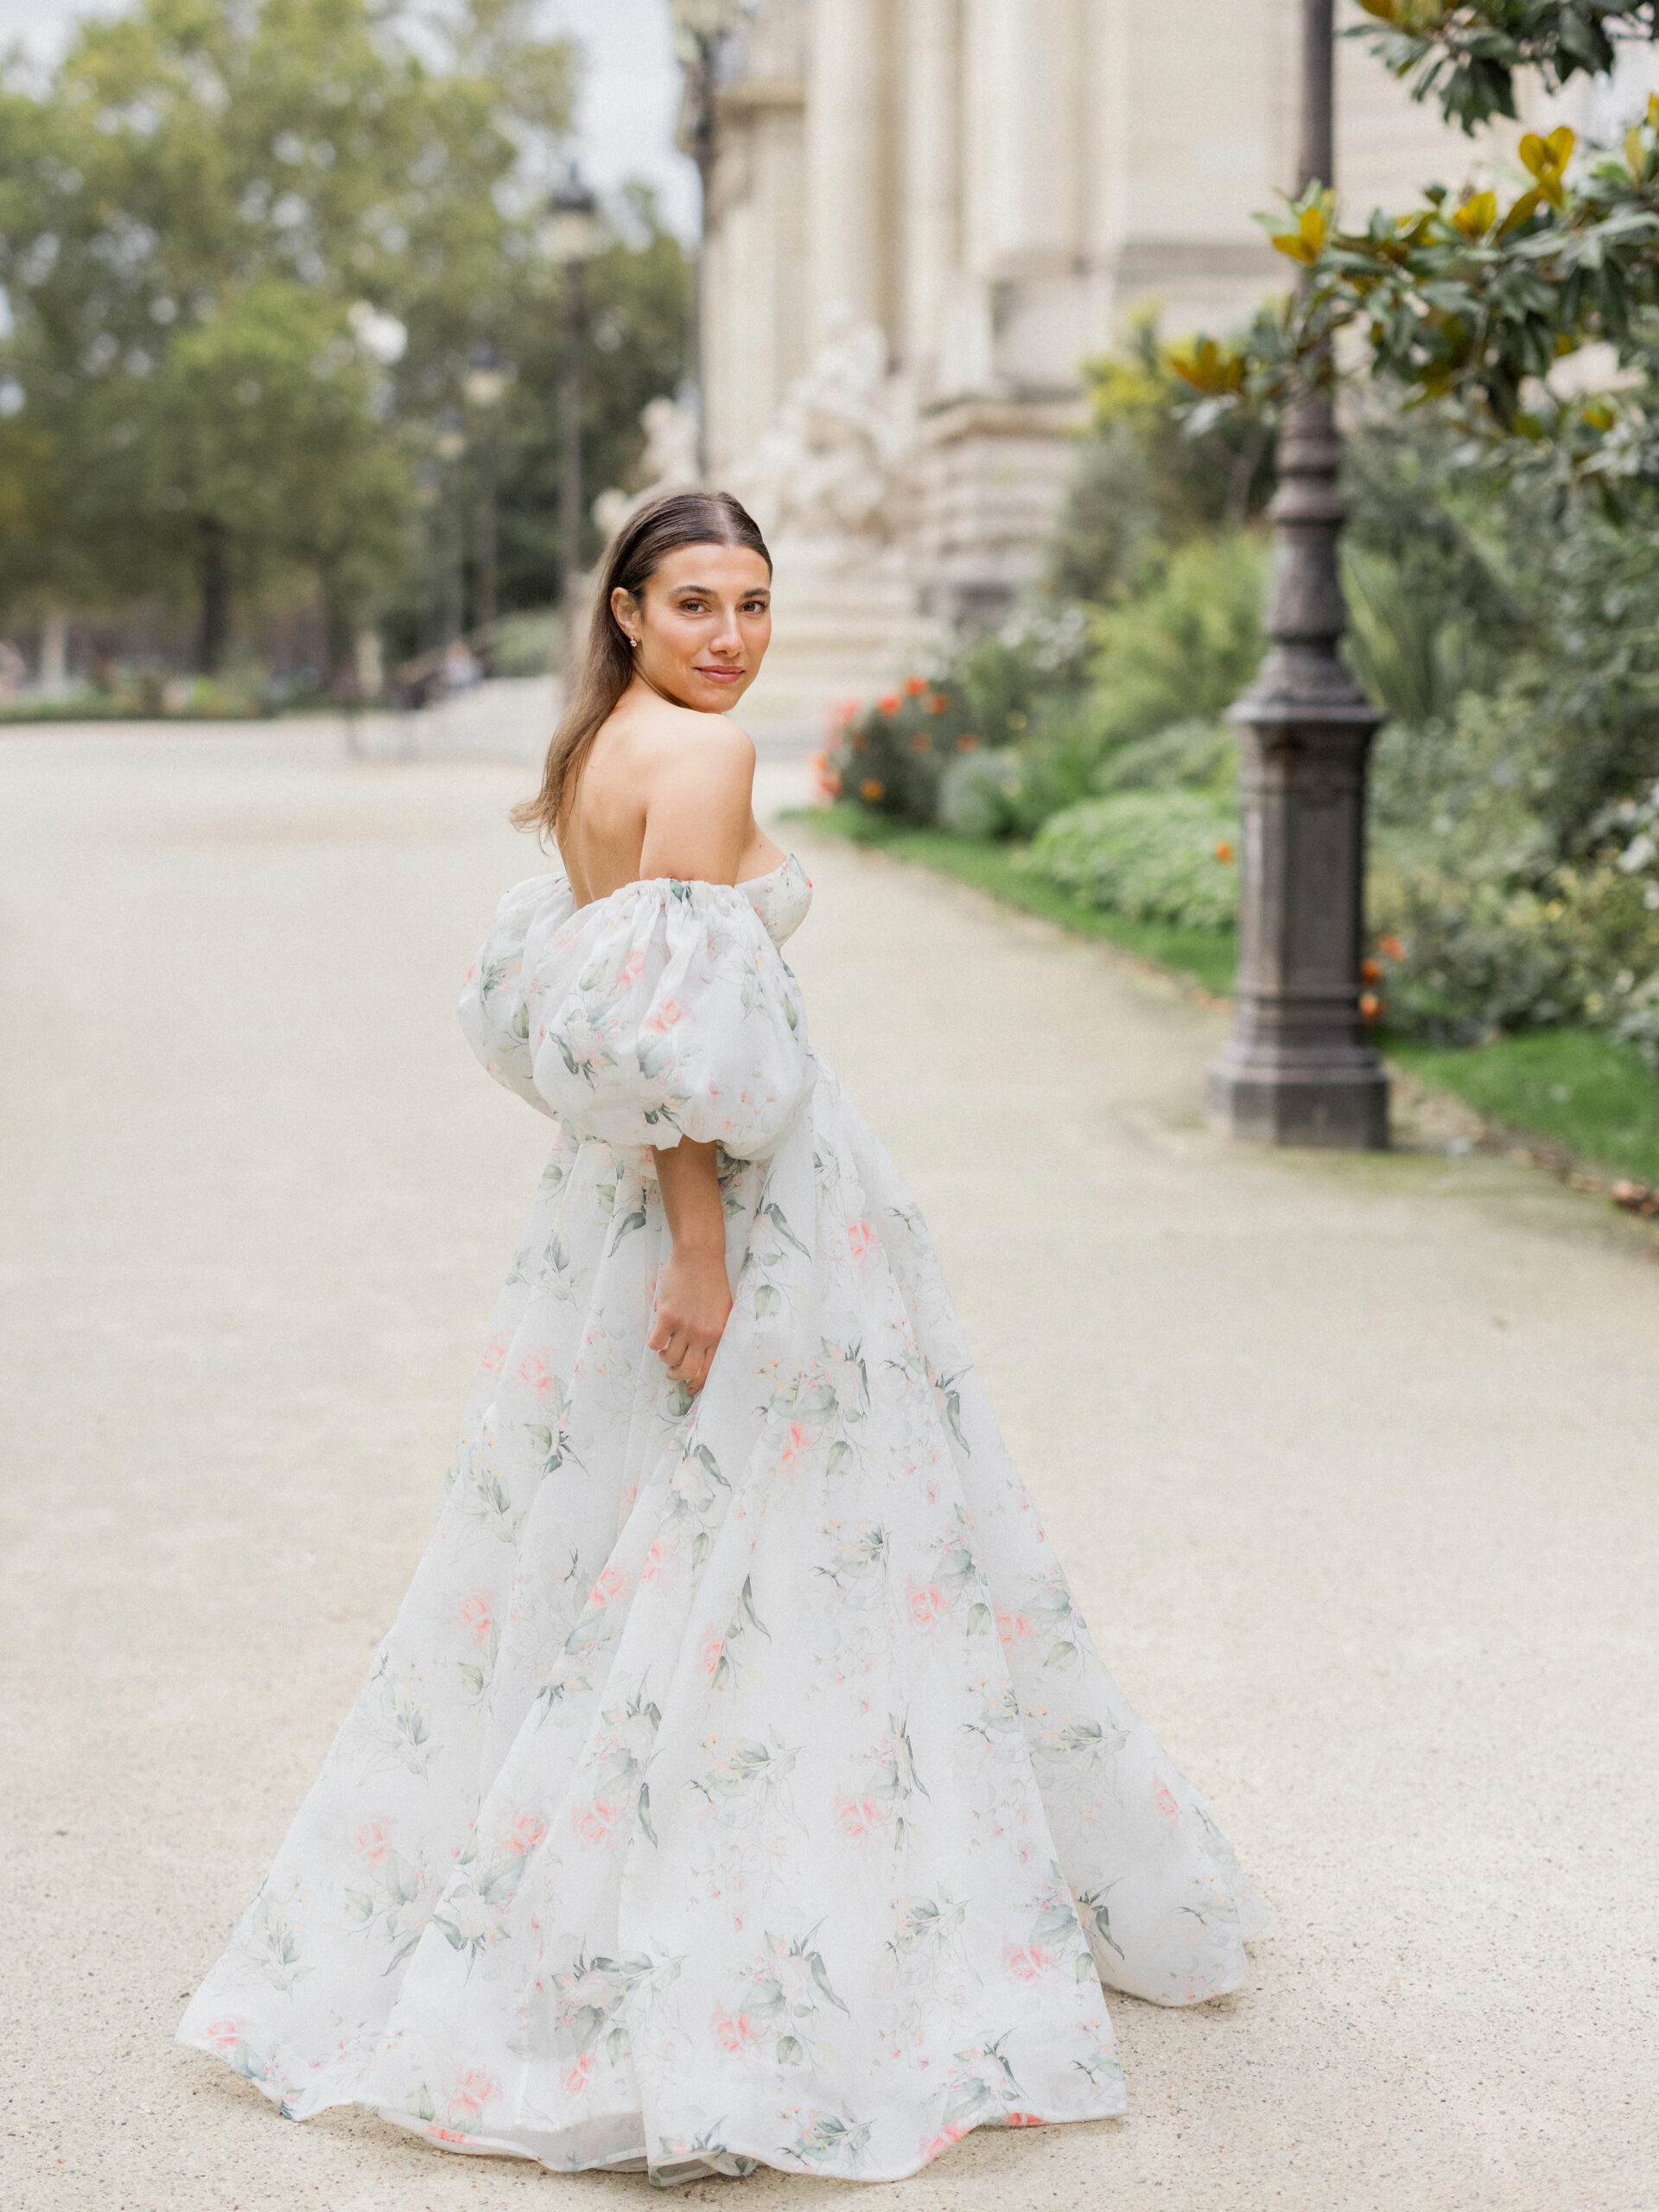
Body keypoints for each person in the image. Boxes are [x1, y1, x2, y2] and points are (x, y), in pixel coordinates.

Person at [179, 489, 1262, 2184]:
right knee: (780, 1560)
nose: (732, 636)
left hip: (603, 1220)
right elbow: (672, 1039)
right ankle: (742, 1979)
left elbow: (579, 1003)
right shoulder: (706, 758)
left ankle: (614, 1927)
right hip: (731, 1222)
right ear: (626, 608)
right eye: (695, 602)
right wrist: (703, 1248)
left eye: (755, 603)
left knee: (624, 1552)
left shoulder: (595, 753)